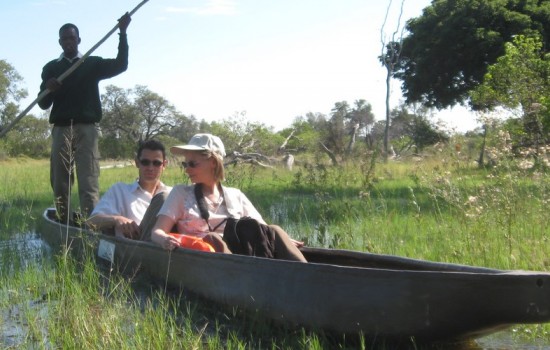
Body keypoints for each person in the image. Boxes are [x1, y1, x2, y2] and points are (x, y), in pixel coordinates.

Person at [151, 133, 307, 262]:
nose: (187, 170)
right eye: (185, 165)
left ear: (212, 162)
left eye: (192, 164)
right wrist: (164, 240)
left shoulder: (235, 195)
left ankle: (308, 273)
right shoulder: (181, 193)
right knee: (213, 238)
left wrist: (283, 241)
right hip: (207, 261)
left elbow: (263, 229)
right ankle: (242, 279)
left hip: (243, 253)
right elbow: (157, 231)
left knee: (275, 229)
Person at [38, 13, 132, 221]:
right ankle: (64, 223)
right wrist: (49, 87)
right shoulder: (51, 68)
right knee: (60, 180)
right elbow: (43, 103)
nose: (68, 42)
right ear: (60, 42)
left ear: (78, 40)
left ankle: (93, 226)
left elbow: (121, 64)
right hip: (61, 129)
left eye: (72, 38)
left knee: (88, 179)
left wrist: (122, 33)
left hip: (86, 128)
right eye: (64, 39)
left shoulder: (91, 64)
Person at [87, 139, 172, 240]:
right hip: (136, 247)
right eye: (145, 162)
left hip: (167, 246)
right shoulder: (120, 191)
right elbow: (92, 221)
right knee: (163, 198)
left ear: (164, 165)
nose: (150, 168)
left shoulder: (171, 192)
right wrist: (117, 219)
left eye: (156, 163)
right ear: (137, 162)